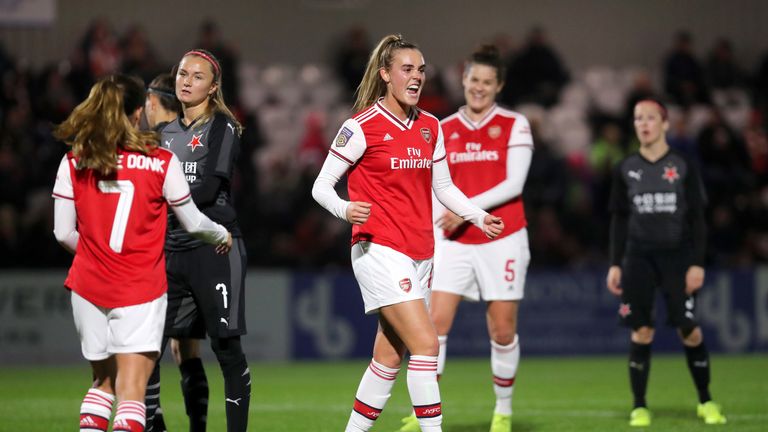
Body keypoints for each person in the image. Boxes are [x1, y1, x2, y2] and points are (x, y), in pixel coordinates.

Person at [312, 34, 505, 432]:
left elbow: (445, 187)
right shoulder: (361, 126)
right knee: (428, 345)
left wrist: (478, 216)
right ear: (385, 75)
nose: (416, 77)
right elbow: (320, 186)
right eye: (406, 69)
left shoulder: (430, 126)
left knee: (388, 356)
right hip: (379, 248)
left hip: (421, 250)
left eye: (420, 70)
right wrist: (345, 209)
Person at [51, 74, 231, 432]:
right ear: (137, 113)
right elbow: (194, 222)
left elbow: (62, 232)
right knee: (131, 391)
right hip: (140, 288)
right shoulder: (161, 161)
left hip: (87, 285)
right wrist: (221, 233)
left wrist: (96, 254)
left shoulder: (74, 161)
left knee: (101, 385)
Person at [397, 45, 533, 432]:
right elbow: (428, 184)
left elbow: (514, 183)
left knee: (502, 330)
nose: (479, 88)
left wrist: (464, 210)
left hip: (502, 237)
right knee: (433, 327)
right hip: (451, 241)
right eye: (474, 80)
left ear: (499, 85)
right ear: (464, 80)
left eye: (488, 82)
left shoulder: (515, 125)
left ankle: (503, 410)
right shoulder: (441, 128)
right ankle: (423, 413)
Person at [606, 98, 727, 427]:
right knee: (641, 331)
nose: (643, 123)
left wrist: (698, 263)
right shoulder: (625, 168)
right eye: (637, 118)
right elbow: (618, 219)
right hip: (638, 259)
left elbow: (699, 219)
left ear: (665, 123)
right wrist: (615, 263)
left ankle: (706, 401)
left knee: (690, 330)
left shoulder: (683, 165)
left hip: (678, 257)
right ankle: (640, 406)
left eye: (649, 118)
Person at [156, 49, 250, 432]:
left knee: (226, 350)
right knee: (150, 349)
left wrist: (164, 201)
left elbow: (210, 187)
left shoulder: (223, 127)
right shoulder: (161, 134)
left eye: (197, 76)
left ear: (213, 87)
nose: (186, 81)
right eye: (182, 74)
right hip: (172, 251)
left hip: (216, 247)